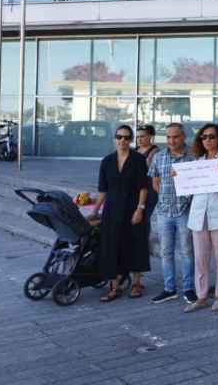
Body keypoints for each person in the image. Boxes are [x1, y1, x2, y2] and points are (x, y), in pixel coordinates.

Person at [183, 123, 218, 313]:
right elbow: (189, 188)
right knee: (200, 258)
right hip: (199, 215)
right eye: (204, 137)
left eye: (211, 136)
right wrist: (179, 178)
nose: (207, 140)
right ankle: (201, 297)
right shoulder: (198, 161)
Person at [91, 125, 150, 302]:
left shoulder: (138, 159)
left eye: (126, 137)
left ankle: (136, 283)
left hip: (133, 208)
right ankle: (114, 286)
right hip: (112, 211)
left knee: (135, 244)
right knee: (112, 246)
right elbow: (103, 190)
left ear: (131, 140)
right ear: (114, 139)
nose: (122, 140)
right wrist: (95, 211)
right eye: (119, 137)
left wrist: (140, 209)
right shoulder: (107, 161)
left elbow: (143, 188)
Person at [147, 123, 197, 304]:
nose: (171, 140)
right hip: (163, 212)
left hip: (185, 210)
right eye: (168, 137)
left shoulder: (193, 157)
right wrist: (163, 195)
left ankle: (189, 289)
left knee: (187, 252)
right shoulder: (158, 157)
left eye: (175, 137)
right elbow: (154, 182)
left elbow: (199, 182)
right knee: (166, 252)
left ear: (183, 137)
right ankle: (169, 289)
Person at [135, 124, 160, 218]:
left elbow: (153, 172)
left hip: (149, 190)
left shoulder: (155, 152)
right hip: (136, 189)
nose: (139, 139)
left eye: (142, 136)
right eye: (137, 137)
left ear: (150, 136)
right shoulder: (136, 149)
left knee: (145, 217)